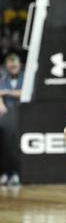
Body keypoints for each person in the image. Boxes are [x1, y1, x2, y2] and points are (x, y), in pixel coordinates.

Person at [0, 53, 23, 186]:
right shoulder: (3, 79)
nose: (12, 67)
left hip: (24, 116)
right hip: (7, 118)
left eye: (15, 65)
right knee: (6, 146)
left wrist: (7, 92)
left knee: (19, 147)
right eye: (10, 65)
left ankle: (18, 174)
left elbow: (26, 92)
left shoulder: (27, 77)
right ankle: (6, 174)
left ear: (19, 64)